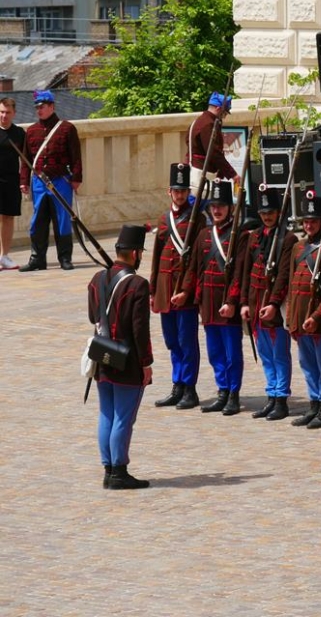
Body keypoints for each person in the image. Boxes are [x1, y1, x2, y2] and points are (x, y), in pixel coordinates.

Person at [87, 224, 153, 490]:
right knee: (123, 417)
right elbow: (140, 330)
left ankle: (108, 469)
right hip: (127, 359)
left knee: (107, 415)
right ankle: (119, 471)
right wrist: (146, 363)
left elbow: (93, 316)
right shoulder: (137, 284)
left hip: (103, 354)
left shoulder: (96, 279)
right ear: (135, 253)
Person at [172, 180, 245, 416]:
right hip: (208, 304)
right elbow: (194, 269)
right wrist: (185, 291)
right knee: (215, 352)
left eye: (221, 205)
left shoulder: (239, 236)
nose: (217, 210)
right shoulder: (204, 234)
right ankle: (222, 390)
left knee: (232, 353)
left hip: (226, 304)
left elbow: (239, 275)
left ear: (230, 208)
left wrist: (232, 302)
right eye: (213, 206)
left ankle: (233, 393)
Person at [238, 185, 298, 421]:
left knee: (279, 354)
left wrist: (274, 303)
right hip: (255, 303)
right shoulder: (254, 237)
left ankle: (281, 398)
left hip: (274, 305)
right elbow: (245, 272)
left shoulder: (287, 239)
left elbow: (284, 275)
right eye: (263, 212)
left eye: (270, 211)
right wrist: (244, 302)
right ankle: (271, 395)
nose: (266, 216)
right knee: (264, 353)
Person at [284, 192, 321, 430]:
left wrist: (316, 316)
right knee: (307, 365)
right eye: (306, 221)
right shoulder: (299, 247)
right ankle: (314, 403)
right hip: (300, 317)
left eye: (313, 221)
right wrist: (290, 317)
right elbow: (291, 285)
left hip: (320, 320)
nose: (309, 225)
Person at [149, 163, 202, 410]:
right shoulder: (164, 219)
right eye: (176, 191)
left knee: (187, 341)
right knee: (172, 341)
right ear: (169, 192)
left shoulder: (197, 219)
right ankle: (177, 384)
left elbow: (198, 260)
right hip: (165, 288)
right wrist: (153, 290)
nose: (180, 195)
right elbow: (157, 255)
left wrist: (187, 291)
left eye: (183, 191)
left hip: (184, 291)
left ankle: (189, 388)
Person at [19, 90, 82, 271]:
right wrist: (24, 181)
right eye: (37, 107)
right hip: (39, 182)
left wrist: (76, 178)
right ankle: (37, 258)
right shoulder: (31, 131)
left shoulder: (67, 128)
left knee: (62, 220)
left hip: (61, 181)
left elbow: (76, 156)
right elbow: (26, 160)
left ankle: (65, 258)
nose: (39, 110)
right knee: (38, 220)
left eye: (43, 106)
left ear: (52, 106)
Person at [185, 92, 237, 192]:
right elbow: (213, 153)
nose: (224, 117)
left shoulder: (199, 121)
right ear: (218, 108)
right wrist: (232, 174)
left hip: (196, 172)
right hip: (202, 176)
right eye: (224, 113)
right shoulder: (208, 124)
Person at [0, 96, 25, 270]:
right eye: (1, 112)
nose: (4, 116)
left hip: (11, 180)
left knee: (8, 217)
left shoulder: (19, 134)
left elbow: (25, 160)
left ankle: (5, 256)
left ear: (14, 113)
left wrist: (24, 181)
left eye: (7, 112)